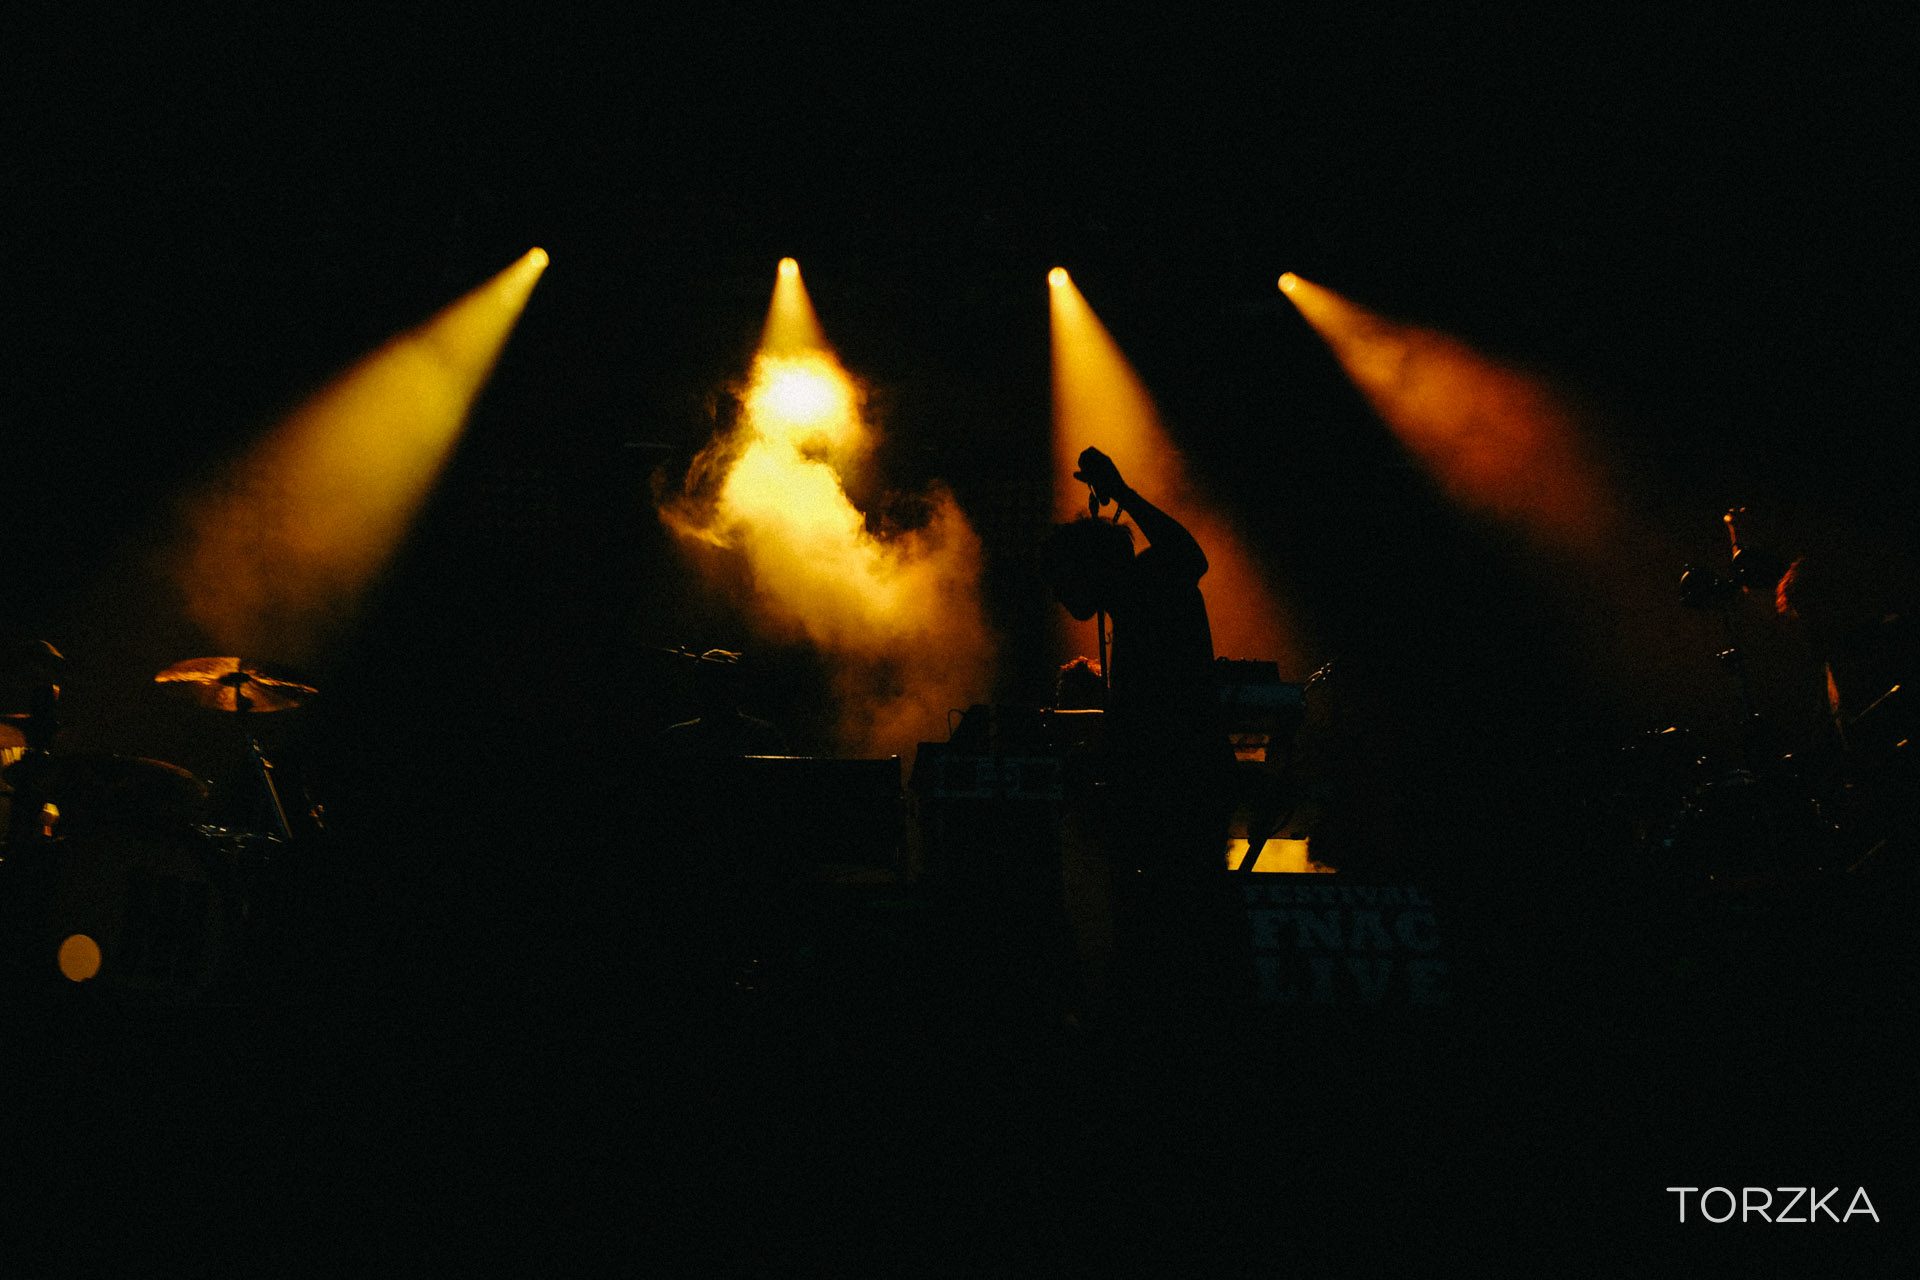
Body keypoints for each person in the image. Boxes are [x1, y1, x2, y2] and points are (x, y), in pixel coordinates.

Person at [1038, 448, 1241, 1032]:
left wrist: (1123, 492)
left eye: (1062, 581)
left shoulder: (1153, 580)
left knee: (1178, 926)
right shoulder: (1129, 608)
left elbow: (1190, 555)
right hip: (1170, 787)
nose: (1059, 597)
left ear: (1088, 567)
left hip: (1183, 787)